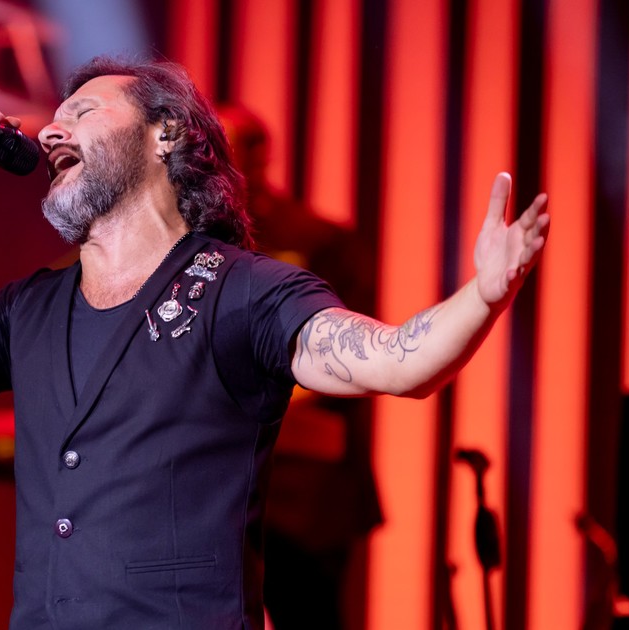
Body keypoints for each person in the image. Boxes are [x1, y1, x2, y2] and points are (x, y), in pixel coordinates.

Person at [0, 56, 549, 629]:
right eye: (53, 118)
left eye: (82, 112)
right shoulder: (30, 307)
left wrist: (483, 293)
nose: (50, 131)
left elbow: (399, 362)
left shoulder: (245, 291)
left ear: (165, 134)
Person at [221, 106, 381, 629]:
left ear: (256, 158)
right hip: (224, 480)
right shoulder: (195, 247)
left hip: (305, 491)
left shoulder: (316, 241)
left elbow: (346, 362)